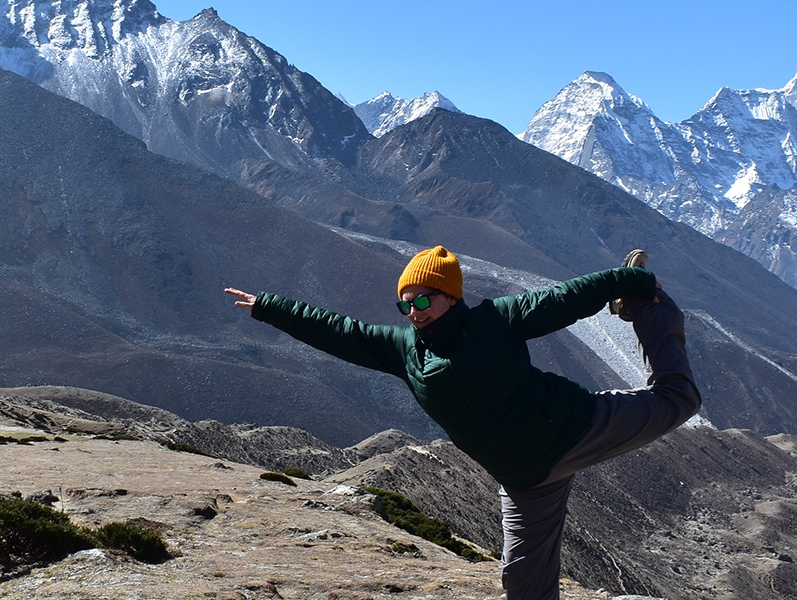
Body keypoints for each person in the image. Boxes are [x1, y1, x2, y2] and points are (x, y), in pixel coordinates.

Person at [224, 245, 699, 600]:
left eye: (424, 300)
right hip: (524, 480)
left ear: (450, 296)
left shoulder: (497, 320)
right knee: (525, 589)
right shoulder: (404, 349)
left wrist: (631, 284)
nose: (415, 312)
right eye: (405, 305)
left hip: (574, 429)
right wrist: (271, 308)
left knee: (679, 398)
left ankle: (644, 309)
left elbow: (569, 298)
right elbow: (339, 332)